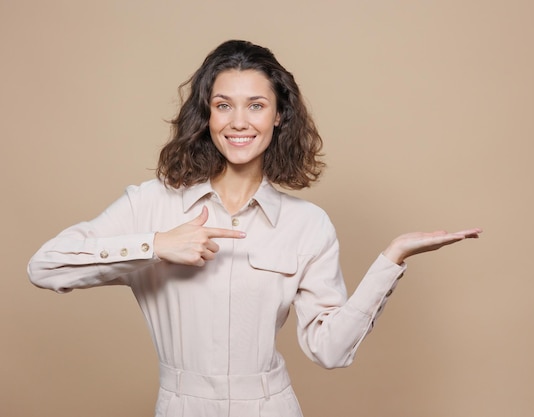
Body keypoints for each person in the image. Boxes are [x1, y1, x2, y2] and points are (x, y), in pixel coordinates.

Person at [28, 40, 481, 417]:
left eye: (256, 105)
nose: (239, 122)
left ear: (279, 115)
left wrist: (391, 260)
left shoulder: (307, 224)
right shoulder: (153, 203)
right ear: (207, 116)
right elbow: (44, 267)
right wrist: (157, 244)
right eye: (223, 105)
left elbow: (331, 350)